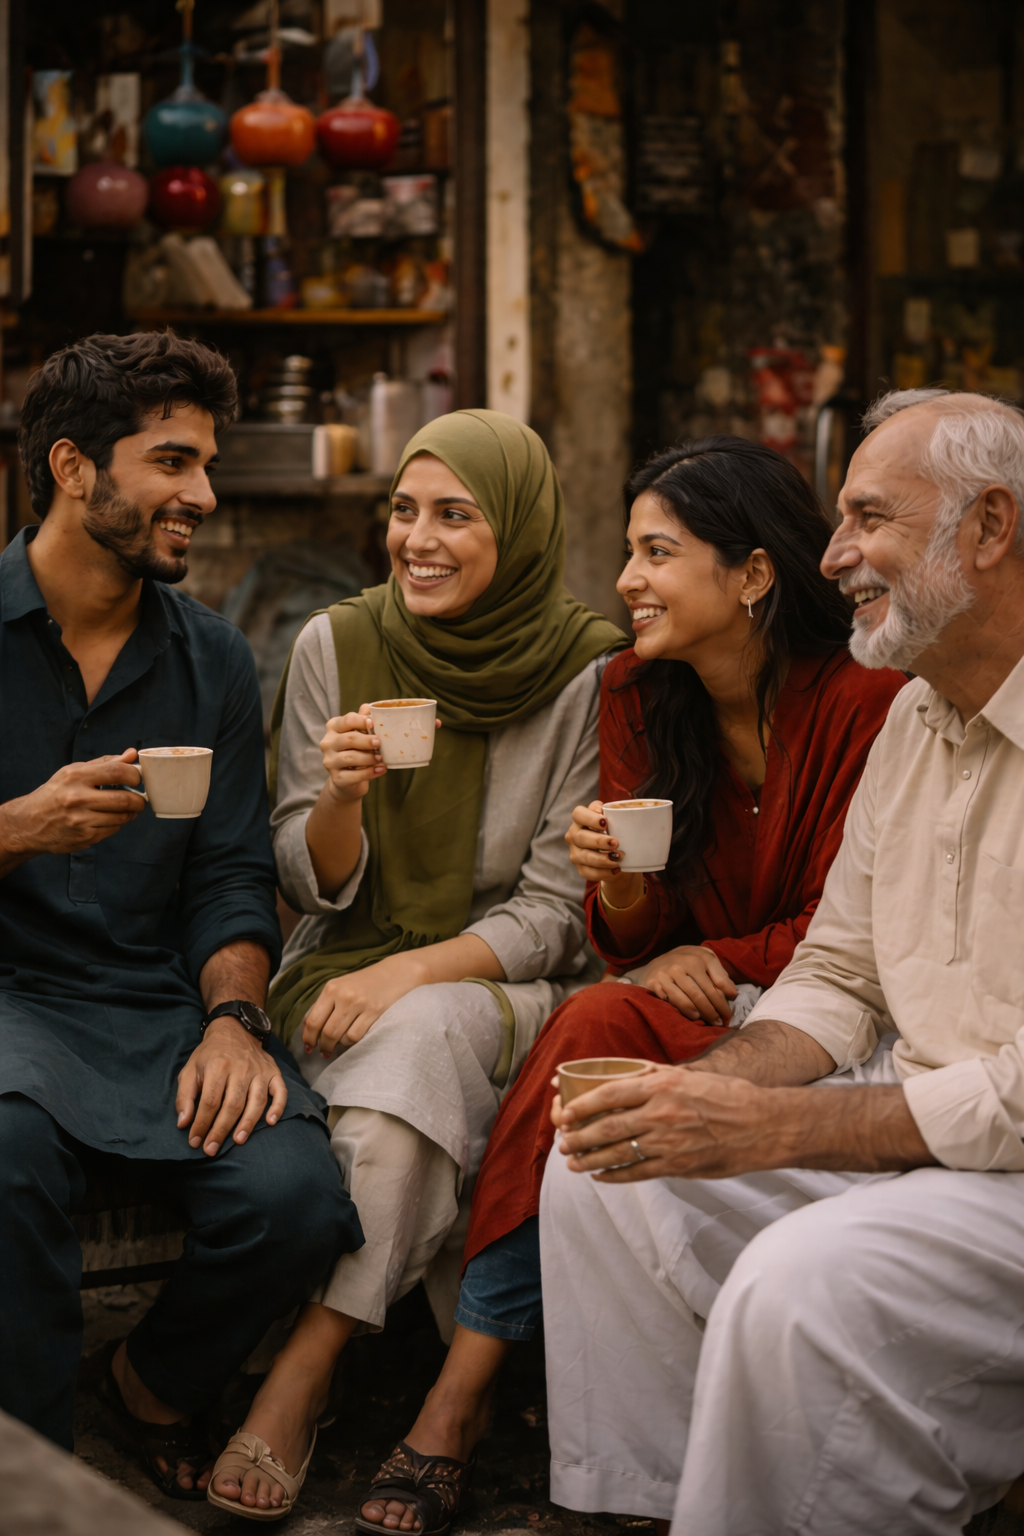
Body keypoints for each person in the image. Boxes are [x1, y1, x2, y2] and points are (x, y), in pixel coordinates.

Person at [357, 437, 907, 1536]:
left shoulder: (865, 697)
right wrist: (616, 900)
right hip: (689, 998)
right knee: (596, 1014)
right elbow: (631, 939)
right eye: (625, 552)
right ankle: (474, 1385)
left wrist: (711, 960)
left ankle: (459, 1396)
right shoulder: (632, 691)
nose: (625, 582)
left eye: (656, 553)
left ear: (751, 574)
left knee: (599, 1018)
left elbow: (854, 933)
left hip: (832, 1019)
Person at [543, 389, 1024, 1536]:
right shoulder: (916, 720)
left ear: (989, 529)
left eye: (867, 518)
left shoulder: (874, 706)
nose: (836, 554)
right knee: (608, 1170)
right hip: (926, 1144)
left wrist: (787, 1130)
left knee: (798, 1280)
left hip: (1003, 1167)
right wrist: (717, 1089)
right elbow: (838, 972)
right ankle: (662, 1507)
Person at [207, 409, 625, 1519]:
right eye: (402, 510)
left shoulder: (589, 670)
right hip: (338, 971)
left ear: (522, 529)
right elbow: (304, 871)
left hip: (503, 986)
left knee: (429, 1031)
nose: (417, 539)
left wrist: (413, 973)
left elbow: (554, 913)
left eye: (454, 514)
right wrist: (342, 799)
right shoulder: (333, 646)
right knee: (410, 1082)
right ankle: (418, 1382)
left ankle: (306, 1365)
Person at [0, 333, 361, 1503]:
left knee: (297, 1198)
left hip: (156, 1012)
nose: (203, 496)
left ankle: (149, 1381)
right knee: (4, 1157)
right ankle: (36, 1486)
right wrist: (19, 827)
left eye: (206, 465)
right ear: (71, 467)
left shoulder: (209, 657)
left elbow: (227, 878)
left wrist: (233, 1020)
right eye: (173, 462)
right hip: (8, 1007)